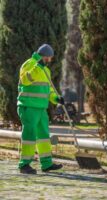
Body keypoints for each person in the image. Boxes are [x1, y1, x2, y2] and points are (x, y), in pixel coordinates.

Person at [17, 44, 64, 174]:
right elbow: (26, 80)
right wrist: (38, 67)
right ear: (44, 57)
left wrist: (57, 99)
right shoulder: (29, 64)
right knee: (29, 135)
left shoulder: (46, 70)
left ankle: (46, 164)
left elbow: (48, 90)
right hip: (28, 106)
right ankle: (24, 164)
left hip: (41, 108)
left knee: (43, 136)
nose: (50, 60)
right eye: (49, 58)